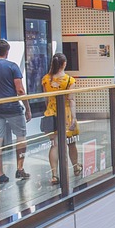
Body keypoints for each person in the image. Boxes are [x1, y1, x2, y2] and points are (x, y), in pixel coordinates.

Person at [0, 38, 32, 182]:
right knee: (21, 137)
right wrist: (27, 108)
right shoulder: (12, 67)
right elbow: (20, 90)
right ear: (7, 52)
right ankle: (20, 168)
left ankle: (0, 174)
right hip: (13, 108)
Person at [41, 53, 82, 185]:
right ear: (64, 64)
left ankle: (54, 175)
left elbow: (46, 98)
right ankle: (75, 168)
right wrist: (74, 118)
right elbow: (71, 100)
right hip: (66, 114)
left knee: (55, 145)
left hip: (51, 112)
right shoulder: (69, 80)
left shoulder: (46, 79)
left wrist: (49, 109)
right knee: (71, 143)